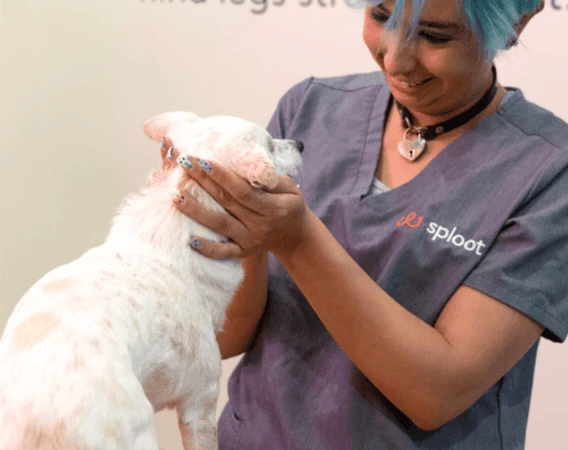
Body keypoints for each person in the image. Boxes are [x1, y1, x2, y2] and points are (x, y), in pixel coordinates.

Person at [167, 0, 568, 448]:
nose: (395, 59)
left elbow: (435, 393)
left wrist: (297, 240)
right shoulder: (313, 107)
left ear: (517, 24)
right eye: (381, 18)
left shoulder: (549, 173)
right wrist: (240, 224)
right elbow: (225, 336)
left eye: (435, 36)